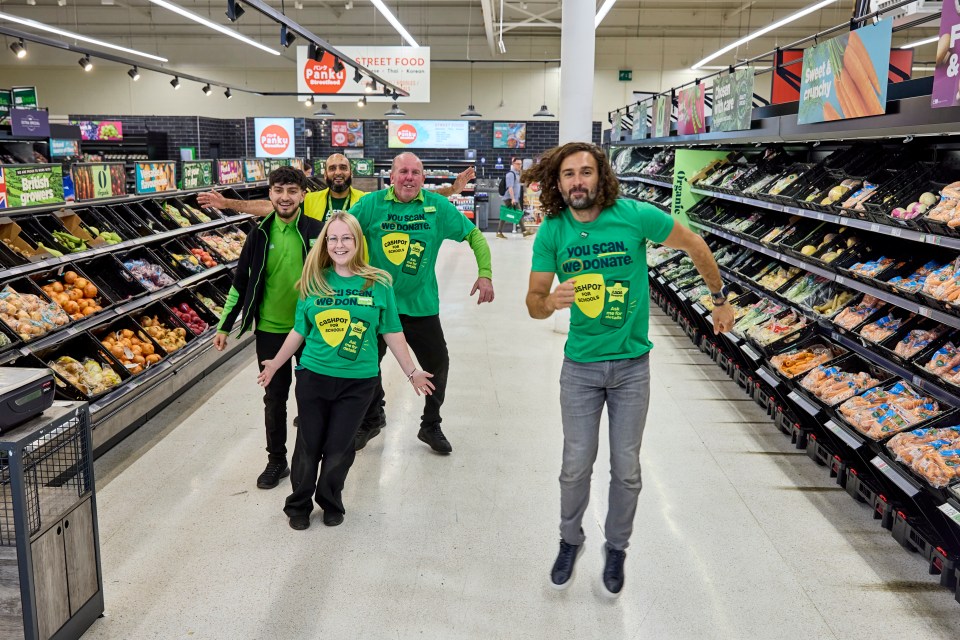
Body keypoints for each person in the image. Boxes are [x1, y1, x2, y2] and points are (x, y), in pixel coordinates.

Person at [524, 142, 734, 596]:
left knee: (627, 468)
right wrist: (549, 302)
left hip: (632, 368)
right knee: (575, 465)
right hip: (580, 368)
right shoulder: (551, 232)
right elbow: (533, 303)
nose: (577, 181)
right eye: (568, 175)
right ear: (557, 184)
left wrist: (719, 298)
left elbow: (694, 242)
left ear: (600, 175)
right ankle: (569, 540)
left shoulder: (635, 215)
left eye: (585, 172)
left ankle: (616, 548)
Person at [256, 211, 435, 530]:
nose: (339, 244)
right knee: (309, 444)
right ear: (325, 243)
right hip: (313, 377)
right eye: (333, 238)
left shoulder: (379, 282)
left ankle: (330, 501)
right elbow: (299, 330)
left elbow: (392, 330)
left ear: (357, 241)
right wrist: (276, 363)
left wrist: (412, 371)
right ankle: (298, 503)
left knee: (340, 447)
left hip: (359, 383)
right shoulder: (313, 281)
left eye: (346, 237)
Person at [351, 152, 494, 454]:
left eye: (415, 172)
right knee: (364, 364)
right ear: (391, 176)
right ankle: (372, 417)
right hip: (378, 306)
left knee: (438, 365)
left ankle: (430, 425)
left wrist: (485, 274)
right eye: (403, 171)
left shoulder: (436, 207)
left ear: (423, 178)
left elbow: (474, 236)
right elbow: (337, 236)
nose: (409, 178)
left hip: (421, 306)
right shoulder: (370, 205)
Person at [214, 167, 324, 490]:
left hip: (311, 331)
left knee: (309, 398)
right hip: (271, 332)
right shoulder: (259, 234)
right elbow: (240, 284)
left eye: (292, 190)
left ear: (303, 194)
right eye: (279, 190)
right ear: (270, 194)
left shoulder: (318, 232)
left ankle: (307, 460)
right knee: (274, 399)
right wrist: (224, 326)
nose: (285, 197)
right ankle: (276, 459)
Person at [198, 156, 475, 221]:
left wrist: (452, 189)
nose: (338, 172)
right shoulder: (312, 199)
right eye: (333, 168)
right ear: (325, 173)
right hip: (319, 274)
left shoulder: (367, 200)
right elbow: (271, 206)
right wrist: (228, 204)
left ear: (350, 172)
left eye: (343, 167)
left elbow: (410, 195)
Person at [497, 157, 533, 240]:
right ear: (513, 164)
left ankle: (499, 232)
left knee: (509, 214)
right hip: (510, 198)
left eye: (520, 164)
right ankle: (524, 232)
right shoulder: (510, 174)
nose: (519, 165)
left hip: (513, 198)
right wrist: (513, 199)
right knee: (518, 214)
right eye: (517, 164)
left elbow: (518, 185)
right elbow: (510, 187)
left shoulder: (517, 174)